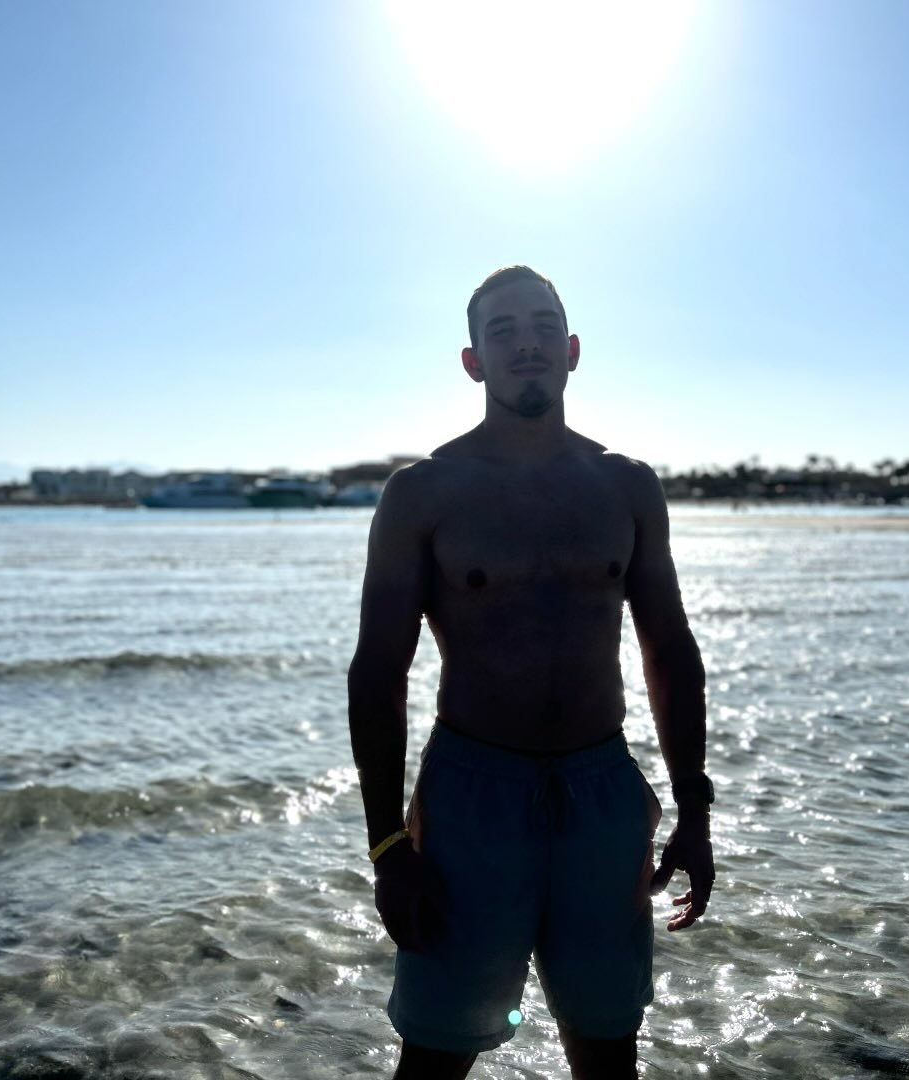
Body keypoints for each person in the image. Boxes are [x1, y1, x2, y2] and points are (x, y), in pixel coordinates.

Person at [347, 266, 714, 1080]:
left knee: (608, 1050)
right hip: (471, 794)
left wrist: (694, 809)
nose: (527, 345)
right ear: (473, 361)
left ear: (572, 350)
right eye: (503, 331)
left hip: (601, 790)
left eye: (544, 327)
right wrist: (387, 848)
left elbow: (670, 651)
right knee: (435, 1056)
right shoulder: (423, 493)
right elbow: (377, 673)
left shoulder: (627, 486)